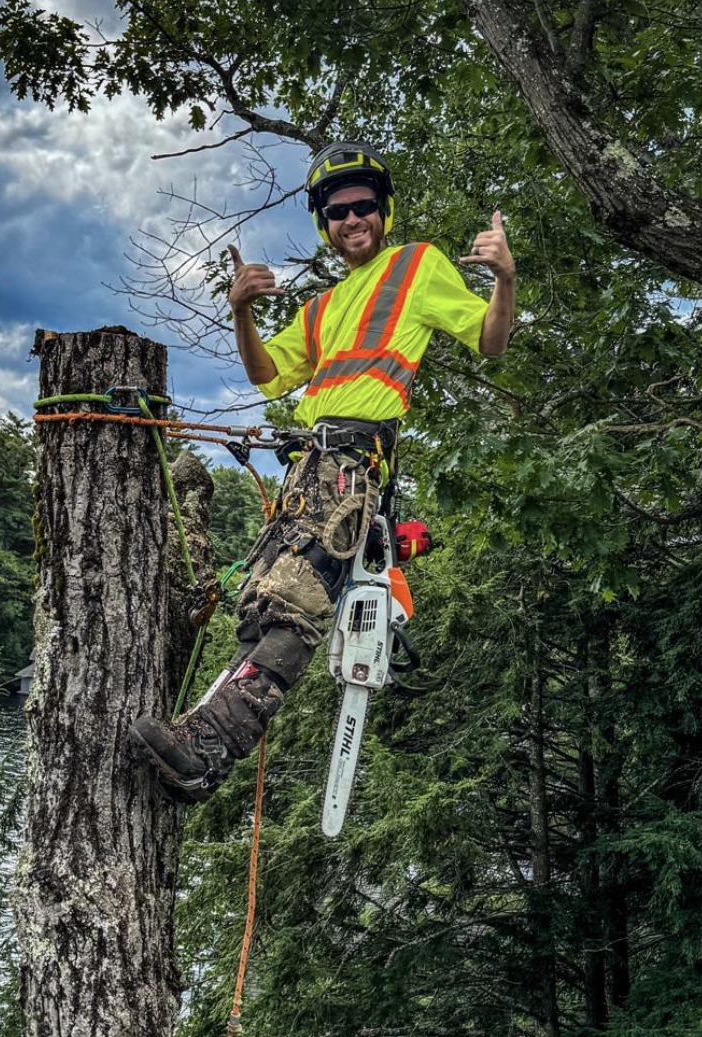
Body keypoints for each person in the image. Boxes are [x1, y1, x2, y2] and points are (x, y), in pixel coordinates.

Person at [131, 140, 516, 802]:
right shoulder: (322, 308)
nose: (352, 219)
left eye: (364, 205)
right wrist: (242, 312)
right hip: (308, 468)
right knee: (258, 600)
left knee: (293, 604)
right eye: (337, 211)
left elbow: (490, 339)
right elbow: (264, 372)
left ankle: (207, 749)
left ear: (383, 210)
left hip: (352, 468)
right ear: (323, 223)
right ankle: (201, 743)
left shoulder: (414, 267)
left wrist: (505, 280)